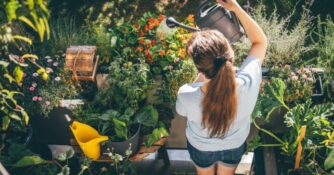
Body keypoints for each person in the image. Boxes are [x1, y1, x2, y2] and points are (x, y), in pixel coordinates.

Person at [175, 0, 267, 175]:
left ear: (198, 67)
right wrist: (236, 8)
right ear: (230, 53)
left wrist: (201, 76)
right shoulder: (247, 83)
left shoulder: (186, 94)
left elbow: (182, 111)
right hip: (234, 145)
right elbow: (260, 42)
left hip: (200, 147)